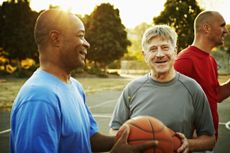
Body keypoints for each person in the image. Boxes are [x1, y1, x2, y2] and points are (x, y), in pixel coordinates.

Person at [10, 9, 158, 153]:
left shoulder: (74, 86)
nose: (87, 44)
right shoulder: (40, 98)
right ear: (56, 38)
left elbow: (88, 139)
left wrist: (135, 138)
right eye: (80, 36)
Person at [109, 25, 216, 153]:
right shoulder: (132, 89)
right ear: (145, 55)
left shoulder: (193, 88)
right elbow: (114, 129)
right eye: (153, 49)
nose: (159, 54)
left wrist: (189, 144)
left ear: (175, 51)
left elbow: (210, 139)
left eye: (165, 47)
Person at [174, 11, 230, 140]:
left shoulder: (210, 60)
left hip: (207, 140)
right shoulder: (185, 61)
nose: (226, 31)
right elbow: (169, 102)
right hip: (192, 143)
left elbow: (216, 95)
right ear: (206, 28)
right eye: (222, 25)